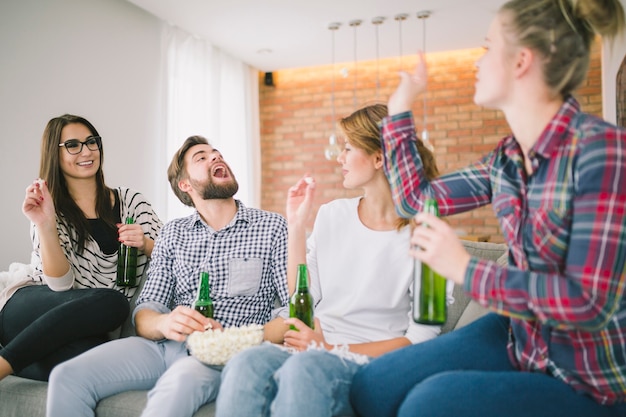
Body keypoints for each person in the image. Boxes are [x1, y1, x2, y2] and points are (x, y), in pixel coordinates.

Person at [349, 1, 626, 417]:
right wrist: (400, 106)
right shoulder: (506, 160)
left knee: (428, 405)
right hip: (519, 336)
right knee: (371, 386)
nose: (478, 61)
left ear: (521, 60)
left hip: (587, 375)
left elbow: (586, 301)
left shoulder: (602, 152)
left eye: (486, 46)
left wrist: (465, 269)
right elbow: (414, 198)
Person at [215, 103, 444, 417]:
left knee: (304, 370)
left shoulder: (427, 234)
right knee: (246, 362)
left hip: (365, 362)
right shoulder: (332, 214)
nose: (340, 158)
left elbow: (421, 339)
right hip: (312, 345)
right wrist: (296, 226)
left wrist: (329, 349)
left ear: (379, 158)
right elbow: (304, 296)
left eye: (348, 148)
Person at [46, 135, 290, 417]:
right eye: (202, 157)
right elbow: (146, 311)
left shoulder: (272, 227)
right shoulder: (173, 233)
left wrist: (238, 339)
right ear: (185, 185)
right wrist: (165, 322)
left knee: (177, 385)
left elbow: (293, 312)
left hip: (219, 354)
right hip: (164, 347)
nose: (215, 157)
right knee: (66, 376)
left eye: (217, 153)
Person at [0, 114, 161, 383]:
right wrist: (46, 223)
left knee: (100, 356)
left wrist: (145, 244)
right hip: (33, 307)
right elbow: (60, 286)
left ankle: (13, 356)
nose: (86, 151)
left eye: (91, 142)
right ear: (56, 154)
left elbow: (173, 256)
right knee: (112, 302)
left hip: (87, 327)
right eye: (73, 145)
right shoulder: (47, 206)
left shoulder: (131, 201)